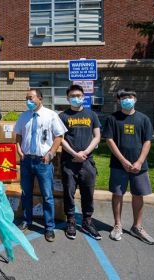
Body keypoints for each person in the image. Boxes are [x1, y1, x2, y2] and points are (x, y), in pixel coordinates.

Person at [102, 88, 154, 245]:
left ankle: (137, 227)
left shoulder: (143, 119)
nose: (127, 100)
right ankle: (117, 225)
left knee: (138, 194)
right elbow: (109, 140)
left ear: (135, 99)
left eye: (130, 97)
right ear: (118, 101)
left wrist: (139, 162)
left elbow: (147, 141)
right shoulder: (112, 119)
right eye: (123, 98)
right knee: (118, 194)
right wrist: (123, 160)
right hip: (119, 165)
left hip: (140, 166)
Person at [14, 89, 67, 242]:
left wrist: (50, 153)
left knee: (47, 196)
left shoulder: (51, 115)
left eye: (30, 98)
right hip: (27, 161)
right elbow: (18, 134)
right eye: (26, 98)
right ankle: (26, 220)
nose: (28, 101)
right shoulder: (24, 116)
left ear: (40, 98)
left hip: (43, 162)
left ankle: (49, 227)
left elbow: (59, 136)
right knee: (26, 193)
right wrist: (19, 150)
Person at [59, 84, 102, 240]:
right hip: (69, 161)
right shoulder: (63, 116)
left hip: (87, 161)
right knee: (69, 192)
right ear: (68, 98)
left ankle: (87, 220)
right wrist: (74, 153)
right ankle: (70, 220)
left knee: (88, 192)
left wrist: (84, 152)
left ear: (84, 97)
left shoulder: (92, 115)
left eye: (79, 95)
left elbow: (97, 136)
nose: (76, 98)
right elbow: (60, 139)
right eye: (72, 96)